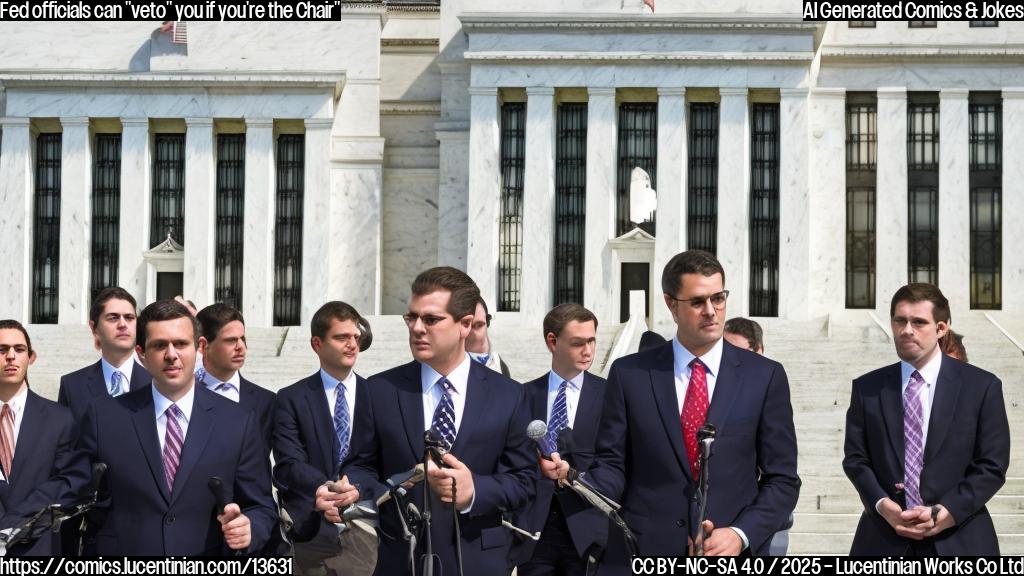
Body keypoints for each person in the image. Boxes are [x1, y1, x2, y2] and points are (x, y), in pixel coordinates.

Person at [584, 250, 799, 569]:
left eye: (719, 298)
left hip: (731, 555)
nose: (711, 311)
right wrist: (576, 479)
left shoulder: (765, 377)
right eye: (698, 302)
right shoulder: (630, 374)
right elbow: (613, 464)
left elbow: (782, 480)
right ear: (671, 304)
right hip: (643, 552)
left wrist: (740, 535)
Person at [340, 267, 535, 576]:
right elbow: (360, 465)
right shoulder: (379, 390)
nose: (417, 328)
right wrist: (352, 488)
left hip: (479, 562)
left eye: (430, 320)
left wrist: (475, 491)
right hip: (401, 560)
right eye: (411, 317)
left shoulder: (509, 395)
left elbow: (525, 481)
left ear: (465, 325)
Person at [72, 299, 278, 555]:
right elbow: (75, 494)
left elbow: (261, 507)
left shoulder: (239, 421)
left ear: (198, 347)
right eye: (159, 345)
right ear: (141, 353)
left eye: (180, 343)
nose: (171, 355)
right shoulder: (104, 417)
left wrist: (250, 528)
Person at [843, 283, 1009, 555]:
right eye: (900, 321)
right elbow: (856, 459)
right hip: (882, 541)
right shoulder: (867, 388)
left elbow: (992, 464)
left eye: (918, 322)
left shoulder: (981, 387)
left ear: (941, 328)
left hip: (961, 539)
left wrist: (950, 511)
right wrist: (882, 504)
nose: (907, 330)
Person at [274, 301, 378, 575]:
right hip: (309, 528)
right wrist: (324, 489)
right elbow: (288, 463)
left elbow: (380, 461)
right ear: (317, 344)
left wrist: (354, 488)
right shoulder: (290, 398)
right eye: (341, 337)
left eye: (356, 337)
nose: (352, 344)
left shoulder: (378, 396)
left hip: (367, 531)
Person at [516, 304, 608, 575]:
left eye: (592, 341)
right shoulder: (522, 395)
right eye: (578, 343)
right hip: (535, 532)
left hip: (589, 531)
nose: (588, 351)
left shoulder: (611, 395)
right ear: (552, 341)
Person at [0, 320, 89, 556]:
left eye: (19, 350)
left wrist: (16, 521)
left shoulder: (60, 419)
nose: (10, 356)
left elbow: (72, 479)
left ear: (31, 357)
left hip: (40, 548)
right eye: (2, 350)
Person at [723, 317, 791, 556]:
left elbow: (783, 475)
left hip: (756, 523)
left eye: (737, 352)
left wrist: (743, 532)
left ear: (759, 351)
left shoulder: (771, 387)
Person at [58, 287, 151, 423]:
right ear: (94, 328)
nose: (123, 324)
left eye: (129, 318)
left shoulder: (155, 382)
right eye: (113, 318)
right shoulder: (72, 386)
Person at [196, 304, 276, 454]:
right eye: (231, 340)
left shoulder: (267, 402)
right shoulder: (182, 395)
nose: (241, 347)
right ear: (203, 345)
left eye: (243, 338)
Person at [465, 298, 511, 377]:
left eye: (479, 325)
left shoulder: (498, 365)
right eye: (466, 325)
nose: (474, 333)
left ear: (487, 323)